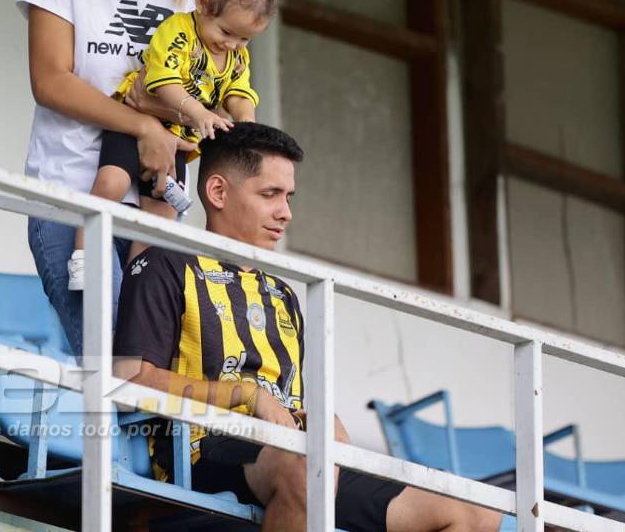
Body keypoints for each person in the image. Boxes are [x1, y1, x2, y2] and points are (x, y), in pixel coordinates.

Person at [114, 123, 502, 532]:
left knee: (474, 510)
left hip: (294, 453)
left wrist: (319, 418)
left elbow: (290, 399)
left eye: (288, 196)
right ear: (218, 193)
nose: (286, 212)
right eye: (270, 195)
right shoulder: (164, 265)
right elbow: (128, 380)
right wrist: (247, 396)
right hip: (199, 450)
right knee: (304, 467)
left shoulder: (284, 292)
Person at [17, 0, 212, 356]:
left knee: (152, 363)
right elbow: (52, 80)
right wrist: (145, 124)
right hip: (73, 191)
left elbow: (214, 85)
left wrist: (165, 113)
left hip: (159, 201)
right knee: (107, 360)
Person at [66, 0, 292, 290]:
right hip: (138, 123)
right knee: (111, 182)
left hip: (180, 143)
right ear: (203, 5)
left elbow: (239, 92)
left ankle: (135, 279)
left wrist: (246, 123)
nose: (232, 45)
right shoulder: (179, 32)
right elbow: (162, 79)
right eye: (227, 32)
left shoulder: (235, 56)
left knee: (163, 216)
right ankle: (84, 257)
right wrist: (199, 113)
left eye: (244, 40)